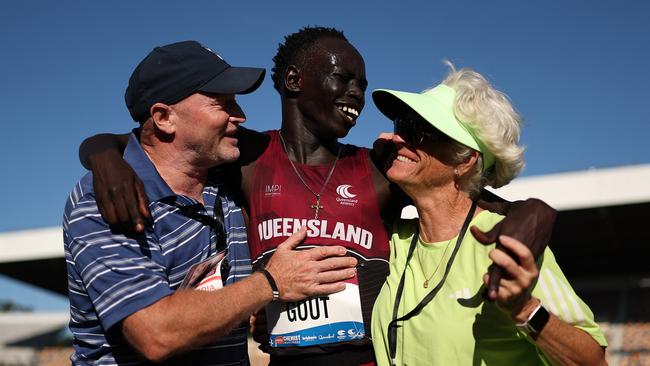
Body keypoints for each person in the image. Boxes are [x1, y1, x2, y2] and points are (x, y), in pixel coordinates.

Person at [78, 28, 556, 365]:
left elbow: (478, 195)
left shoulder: (376, 168)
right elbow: (157, 139)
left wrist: (536, 214)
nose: (356, 95)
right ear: (293, 81)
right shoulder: (247, 155)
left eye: (362, 86)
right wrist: (103, 154)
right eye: (343, 79)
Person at [63, 40, 358, 365]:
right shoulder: (106, 198)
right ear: (164, 117)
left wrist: (263, 311)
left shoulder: (229, 178)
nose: (241, 116)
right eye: (223, 103)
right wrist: (271, 284)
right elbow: (156, 334)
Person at [370, 64, 607, 365]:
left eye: (419, 131)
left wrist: (524, 309)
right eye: (401, 123)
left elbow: (594, 361)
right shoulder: (393, 238)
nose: (399, 138)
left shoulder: (508, 244)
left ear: (466, 160)